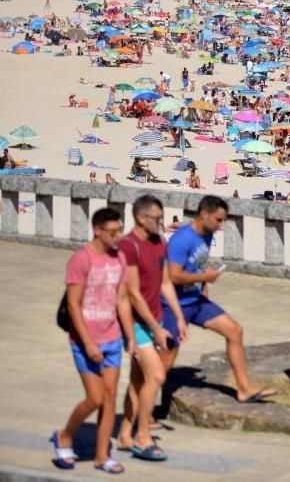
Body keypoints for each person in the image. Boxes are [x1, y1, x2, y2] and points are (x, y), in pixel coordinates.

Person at [161, 196, 276, 403]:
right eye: (219, 220)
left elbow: (197, 265)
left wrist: (203, 286)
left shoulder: (206, 234)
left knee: (234, 330)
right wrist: (205, 278)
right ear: (204, 214)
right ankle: (143, 408)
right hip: (174, 305)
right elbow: (174, 275)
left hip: (196, 301)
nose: (221, 225)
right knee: (166, 360)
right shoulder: (182, 239)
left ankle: (244, 389)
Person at [53, 208, 134, 474]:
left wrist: (129, 337)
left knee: (110, 398)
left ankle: (102, 456)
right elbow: (74, 306)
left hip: (112, 338)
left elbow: (122, 300)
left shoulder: (119, 257)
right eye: (112, 231)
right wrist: (88, 342)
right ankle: (65, 434)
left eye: (119, 230)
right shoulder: (81, 259)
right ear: (97, 230)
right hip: (85, 341)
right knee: (95, 399)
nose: (117, 236)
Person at [116, 196, 186, 460]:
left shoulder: (160, 243)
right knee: (156, 376)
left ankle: (125, 433)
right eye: (158, 218)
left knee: (138, 381)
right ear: (141, 218)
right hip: (134, 322)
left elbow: (166, 283)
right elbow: (133, 294)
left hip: (153, 318)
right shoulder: (128, 246)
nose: (162, 222)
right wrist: (157, 328)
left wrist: (178, 317)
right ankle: (142, 436)